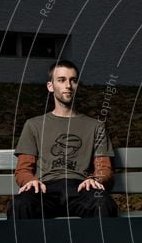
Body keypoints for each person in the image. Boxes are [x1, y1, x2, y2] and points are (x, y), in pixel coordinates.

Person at [7, 59, 118, 219]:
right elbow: (23, 169)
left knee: (102, 203)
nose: (68, 85)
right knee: (20, 204)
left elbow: (104, 168)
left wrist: (95, 179)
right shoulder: (34, 125)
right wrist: (29, 181)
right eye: (61, 80)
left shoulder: (95, 126)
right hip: (45, 189)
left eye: (73, 80)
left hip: (80, 187)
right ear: (50, 86)